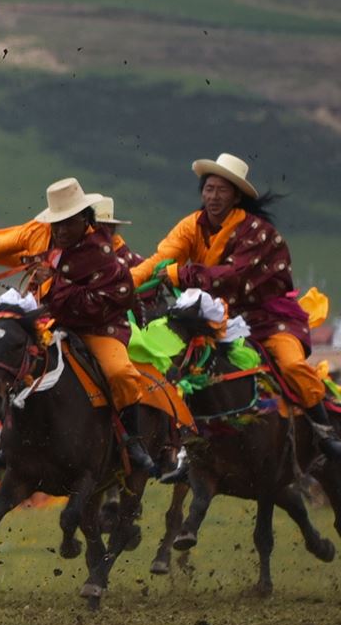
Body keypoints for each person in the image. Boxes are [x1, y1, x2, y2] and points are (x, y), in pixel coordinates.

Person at [0, 178, 160, 478]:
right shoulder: (38, 234)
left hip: (97, 327)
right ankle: (10, 443)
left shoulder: (106, 257)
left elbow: (99, 304)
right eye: (57, 223)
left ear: (86, 220)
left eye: (68, 223)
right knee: (13, 357)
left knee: (120, 372)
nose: (61, 230)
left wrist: (53, 282)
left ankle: (132, 443)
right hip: (45, 319)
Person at [130, 153, 341, 461]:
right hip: (220, 320)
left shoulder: (259, 232)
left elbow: (233, 277)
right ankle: (185, 449)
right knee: (180, 364)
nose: (213, 196)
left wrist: (180, 273)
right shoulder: (191, 226)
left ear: (237, 196)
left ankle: (324, 431)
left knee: (292, 365)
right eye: (208, 189)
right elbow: (159, 259)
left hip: (268, 318)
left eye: (222, 190)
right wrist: (127, 285)